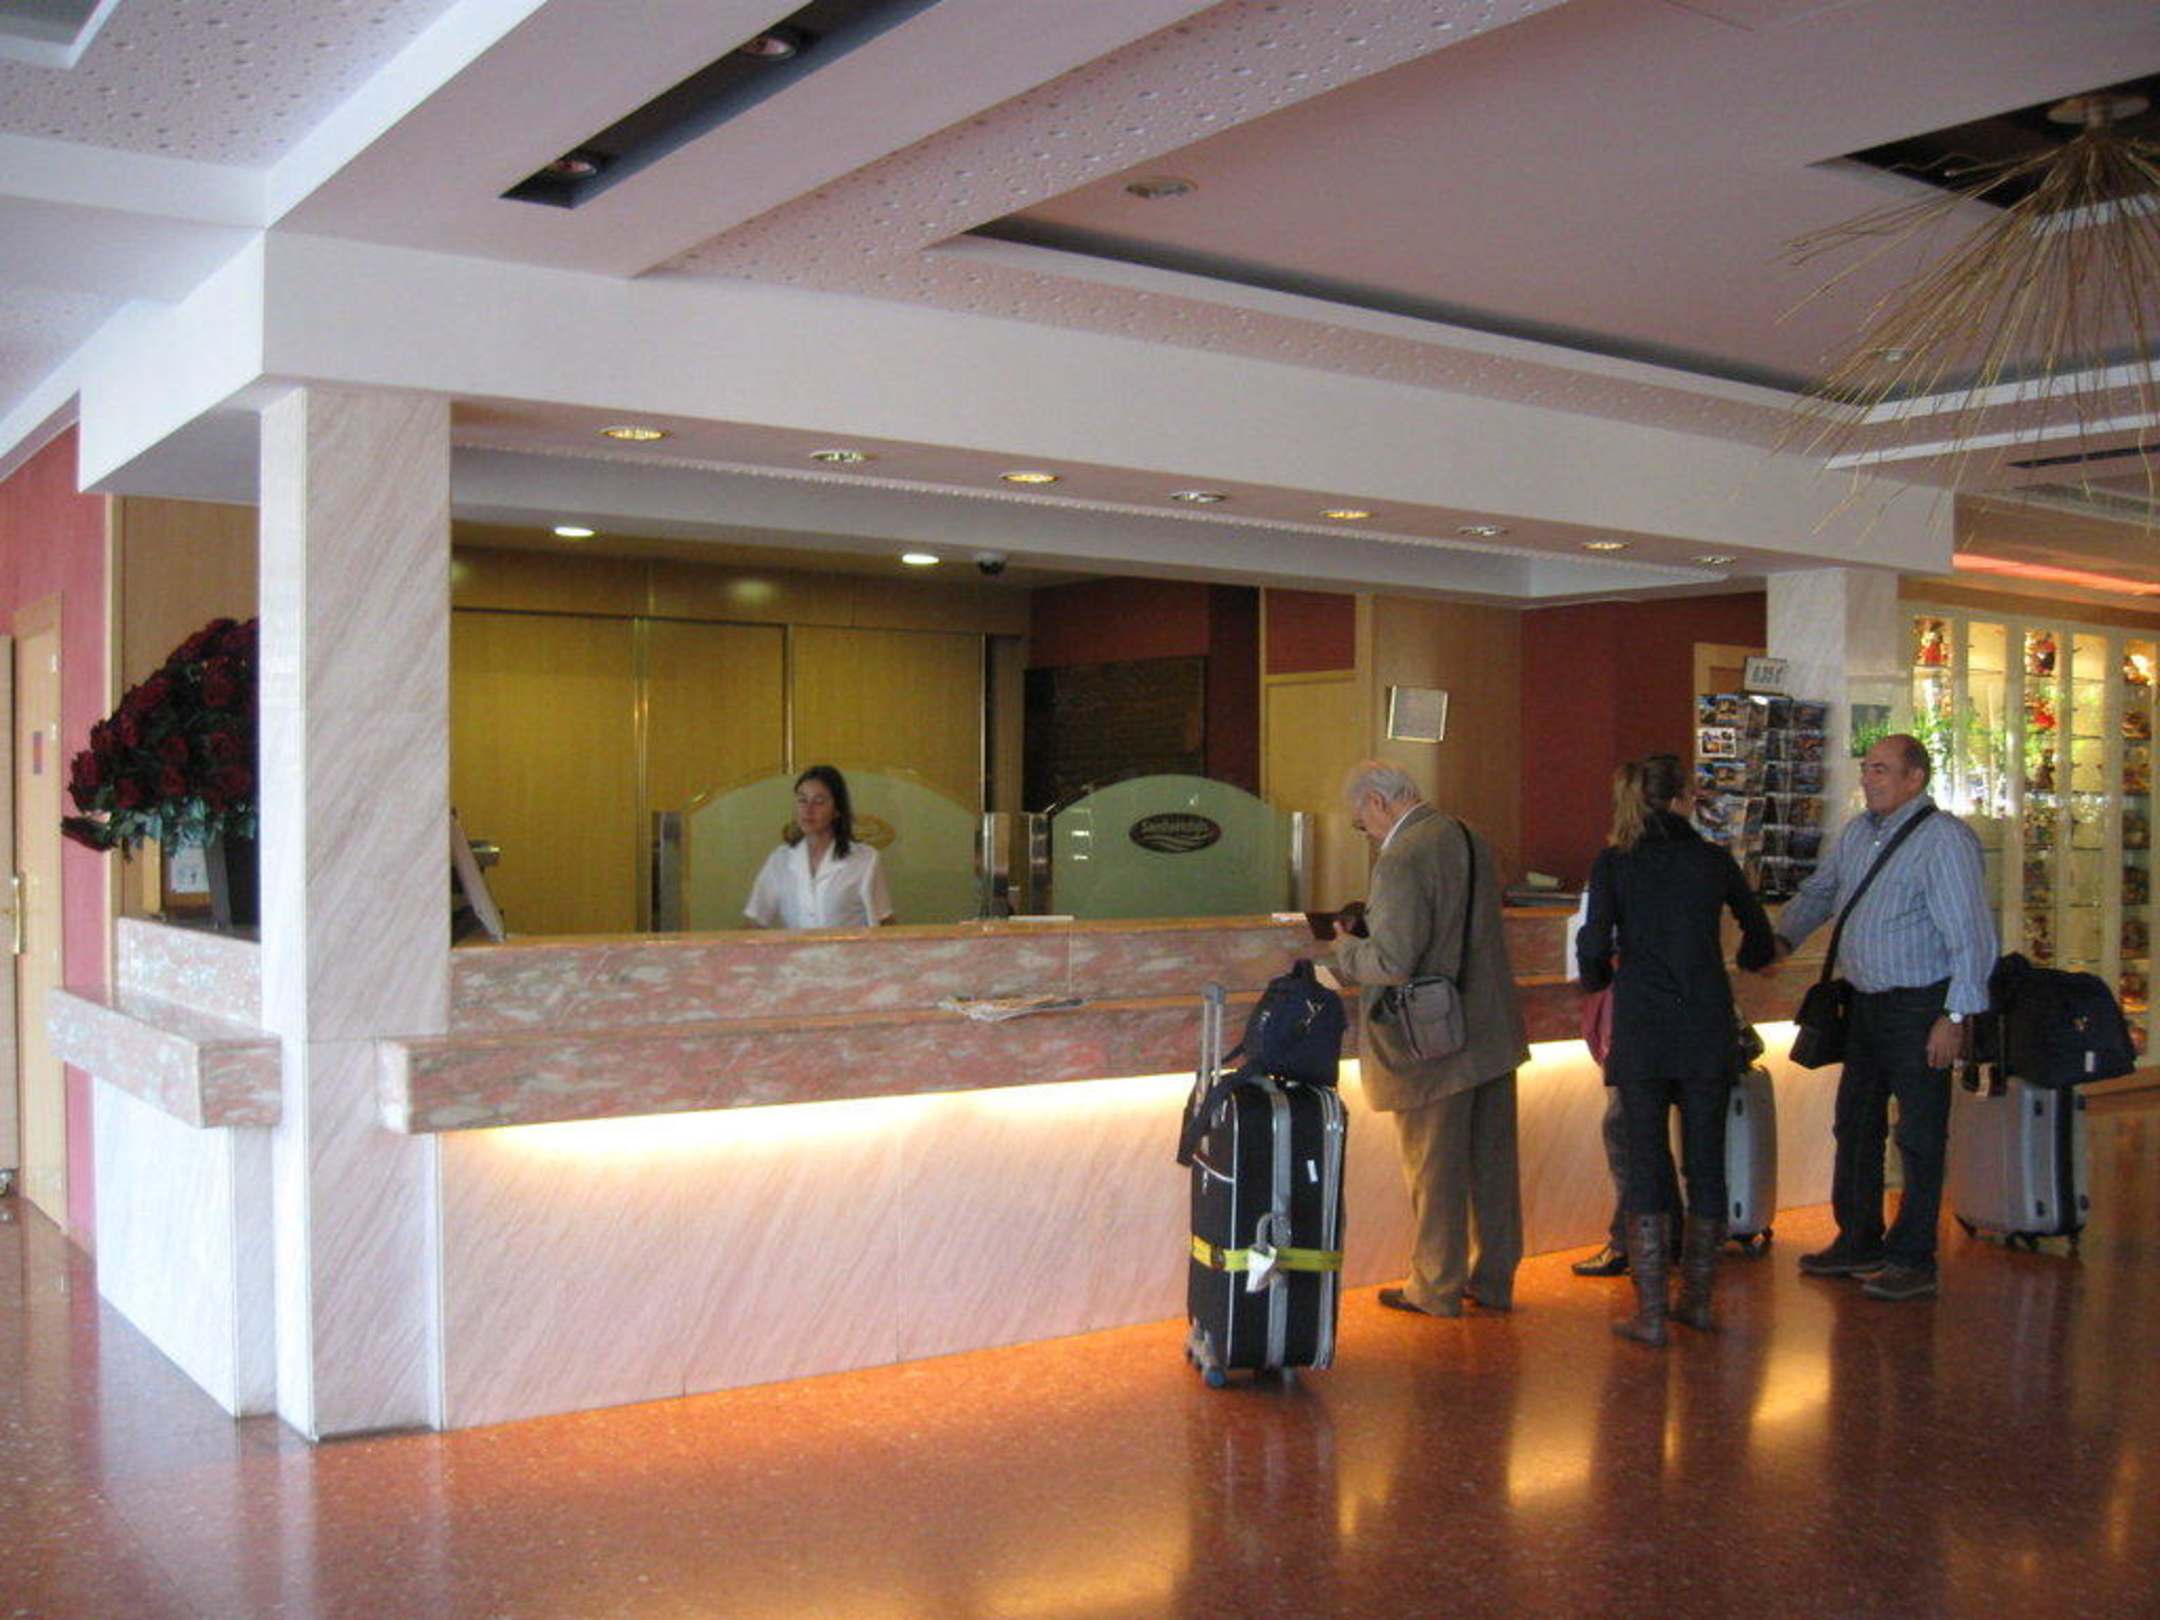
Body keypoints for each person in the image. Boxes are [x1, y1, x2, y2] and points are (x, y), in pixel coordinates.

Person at [1773, 734, 1995, 1303]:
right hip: (1866, 1004)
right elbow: (1821, 893)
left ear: (1914, 778)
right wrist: (1778, 939)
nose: (1868, 778)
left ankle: (1913, 1258)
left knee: (1918, 1134)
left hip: (1922, 1007)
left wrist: (1955, 1016)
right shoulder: (1857, 834)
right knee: (1855, 1124)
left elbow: (1970, 936)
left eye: (1881, 769)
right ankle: (1859, 1240)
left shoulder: (1943, 840)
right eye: (1867, 768)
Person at [1577, 754, 1777, 1346]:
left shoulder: (1615, 863)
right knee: (1706, 1164)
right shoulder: (1712, 860)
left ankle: (1651, 1314)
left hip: (1642, 1027)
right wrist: (1746, 961)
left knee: (1644, 1161)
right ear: (1684, 798)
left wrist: (1600, 981)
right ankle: (1698, 1302)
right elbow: (1758, 934)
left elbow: (1593, 946)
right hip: (1705, 1026)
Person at [1330, 760, 1528, 1318]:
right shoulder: (1470, 837)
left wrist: (1344, 948)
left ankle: (1436, 1287)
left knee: (1435, 1168)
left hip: (1434, 1040)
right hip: (1492, 1029)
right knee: (1493, 1168)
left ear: (1376, 802)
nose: (1367, 834)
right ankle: (1494, 1280)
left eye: (1361, 823)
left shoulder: (1402, 857)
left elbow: (1392, 961)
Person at [743, 765, 894, 930]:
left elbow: (884, 922)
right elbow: (755, 921)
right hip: (796, 947)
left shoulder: (865, 859)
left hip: (847, 947)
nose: (808, 810)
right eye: (802, 800)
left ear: (837, 810)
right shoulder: (779, 860)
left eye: (818, 802)